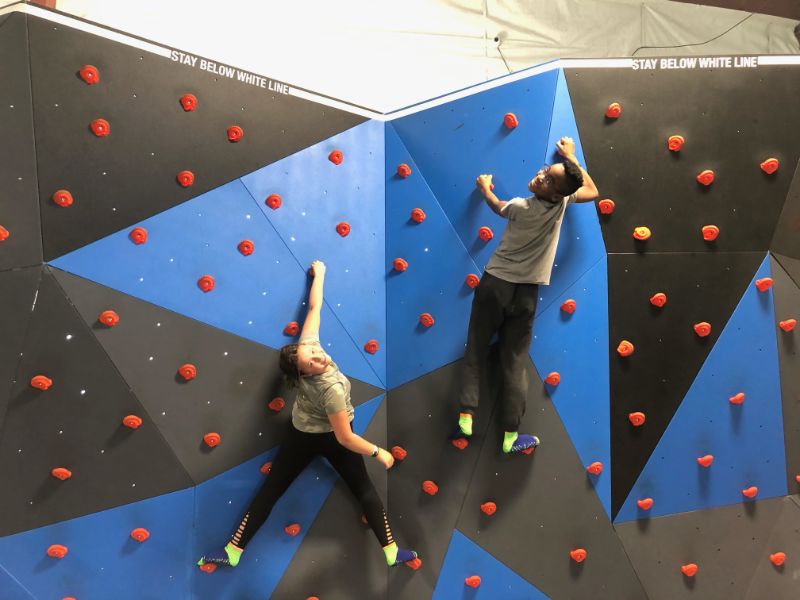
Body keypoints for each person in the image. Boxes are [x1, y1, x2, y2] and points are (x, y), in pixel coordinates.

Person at [198, 260, 417, 569]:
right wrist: (377, 451)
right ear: (302, 373)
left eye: (314, 353)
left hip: (301, 429)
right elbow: (344, 437)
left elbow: (314, 310)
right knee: (359, 488)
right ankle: (233, 551)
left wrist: (321, 274)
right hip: (325, 438)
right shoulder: (331, 391)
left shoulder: (307, 348)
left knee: (276, 488)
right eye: (312, 362)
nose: (319, 357)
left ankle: (391, 552)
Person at [454, 136, 599, 454]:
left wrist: (485, 187)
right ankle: (509, 437)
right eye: (546, 171)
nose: (541, 176)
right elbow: (592, 191)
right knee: (514, 362)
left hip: (495, 285)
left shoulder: (520, 206)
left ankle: (467, 414)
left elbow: (496, 206)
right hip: (526, 295)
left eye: (549, 180)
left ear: (556, 192)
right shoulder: (561, 204)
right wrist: (572, 158)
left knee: (477, 347)